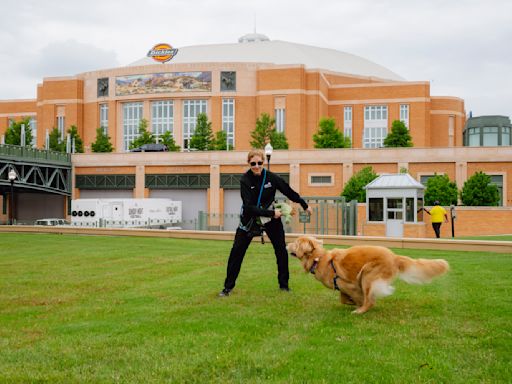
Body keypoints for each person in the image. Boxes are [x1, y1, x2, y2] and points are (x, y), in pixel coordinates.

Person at [219, 149, 312, 297]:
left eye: (259, 163)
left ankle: (284, 286)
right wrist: (271, 213)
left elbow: (288, 191)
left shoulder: (271, 178)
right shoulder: (245, 180)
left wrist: (304, 204)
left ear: (263, 162)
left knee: (281, 250)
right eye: (253, 163)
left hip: (271, 220)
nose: (256, 166)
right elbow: (249, 207)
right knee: (236, 252)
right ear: (248, 163)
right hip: (250, 220)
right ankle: (227, 288)